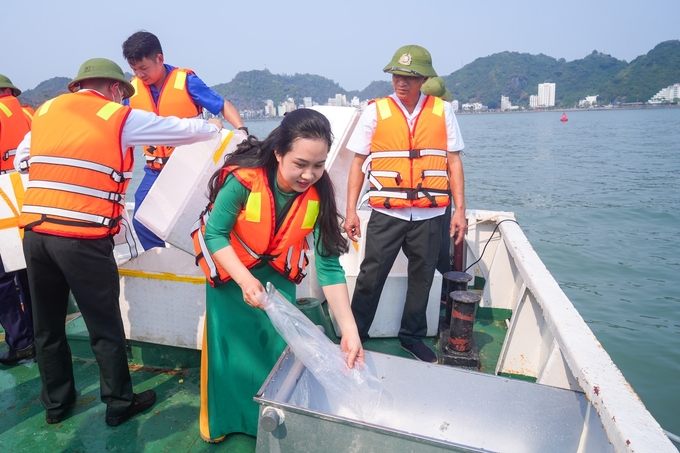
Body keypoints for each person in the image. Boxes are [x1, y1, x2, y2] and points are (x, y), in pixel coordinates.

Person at [14, 58, 224, 426]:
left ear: (79, 86)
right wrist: (212, 127)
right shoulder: (117, 116)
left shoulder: (45, 112)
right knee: (104, 325)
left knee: (47, 326)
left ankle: (56, 404)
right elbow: (175, 129)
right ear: (114, 89)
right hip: (82, 237)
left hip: (36, 234)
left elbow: (21, 159)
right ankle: (118, 403)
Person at [194, 109, 364, 443]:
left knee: (274, 353)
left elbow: (329, 267)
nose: (309, 175)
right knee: (229, 355)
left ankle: (269, 423)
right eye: (300, 164)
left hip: (276, 278)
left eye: (318, 165)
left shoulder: (320, 196)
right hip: (231, 274)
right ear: (278, 152)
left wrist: (349, 331)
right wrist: (244, 280)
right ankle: (226, 423)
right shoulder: (243, 180)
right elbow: (215, 234)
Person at [344, 45, 467, 363]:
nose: (401, 81)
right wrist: (350, 211)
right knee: (371, 274)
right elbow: (358, 162)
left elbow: (453, 162)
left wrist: (461, 212)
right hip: (386, 211)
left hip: (431, 212)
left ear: (424, 79)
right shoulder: (375, 111)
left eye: (410, 76)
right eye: (397, 75)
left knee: (423, 276)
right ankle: (357, 333)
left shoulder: (443, 112)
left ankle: (411, 336)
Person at [122, 30, 247, 250]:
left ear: (159, 59)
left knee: (195, 221)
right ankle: (164, 262)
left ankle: (204, 260)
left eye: (144, 68)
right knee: (141, 220)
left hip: (188, 168)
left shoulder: (186, 81)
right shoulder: (132, 91)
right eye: (134, 70)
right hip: (154, 170)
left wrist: (243, 132)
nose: (139, 75)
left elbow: (222, 105)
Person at [0, 74, 35, 366]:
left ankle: (22, 342)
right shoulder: (28, 114)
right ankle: (40, 333)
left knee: (1, 278)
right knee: (28, 270)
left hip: (1, 202)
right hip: (29, 198)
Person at [421, 76, 456, 303]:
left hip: (414, 191)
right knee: (441, 243)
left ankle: (433, 293)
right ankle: (442, 294)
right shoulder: (445, 114)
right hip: (440, 190)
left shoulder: (416, 118)